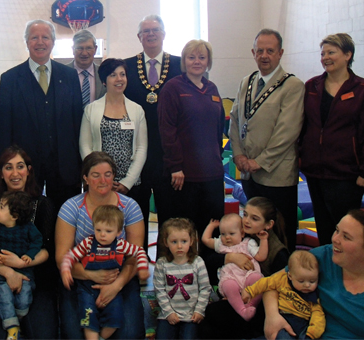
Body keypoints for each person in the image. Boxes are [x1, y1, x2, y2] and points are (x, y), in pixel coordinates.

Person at [229, 28, 305, 253]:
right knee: (254, 231)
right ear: (253, 52)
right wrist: (238, 154)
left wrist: (259, 161)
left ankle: (284, 277)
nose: (264, 55)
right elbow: (235, 120)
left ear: (280, 53)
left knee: (280, 231)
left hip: (277, 175)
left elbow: (287, 132)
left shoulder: (292, 86)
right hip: (248, 172)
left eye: (270, 51)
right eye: (259, 50)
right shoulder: (247, 82)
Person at [55, 151, 145, 339]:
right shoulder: (71, 207)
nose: (103, 180)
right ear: (86, 178)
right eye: (96, 175)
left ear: (114, 176)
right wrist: (90, 275)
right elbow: (62, 257)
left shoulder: (130, 207)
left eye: (108, 174)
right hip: (81, 279)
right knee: (74, 333)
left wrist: (116, 285)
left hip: (120, 278)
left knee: (129, 333)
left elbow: (135, 256)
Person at [0, 146, 59, 339]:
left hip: (35, 281)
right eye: (8, 167)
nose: (15, 173)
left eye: (20, 166)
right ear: (0, 173)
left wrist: (21, 264)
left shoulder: (43, 204)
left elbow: (47, 249)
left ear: (28, 171)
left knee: (43, 335)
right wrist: (9, 272)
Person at [0, 19, 83, 210]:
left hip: (65, 166)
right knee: (24, 217)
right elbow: (5, 127)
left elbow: (77, 122)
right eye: (34, 37)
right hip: (24, 168)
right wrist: (8, 166)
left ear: (53, 42)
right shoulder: (10, 79)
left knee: (64, 219)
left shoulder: (69, 76)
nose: (40, 42)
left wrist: (79, 164)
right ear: (26, 42)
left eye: (45, 37)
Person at [124, 15, 182, 250]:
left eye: (155, 30)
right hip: (134, 153)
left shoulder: (180, 64)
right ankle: (136, 264)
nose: (150, 34)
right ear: (139, 37)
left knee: (169, 212)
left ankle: (167, 265)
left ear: (164, 34)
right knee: (136, 215)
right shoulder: (126, 66)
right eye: (145, 31)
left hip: (168, 154)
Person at [299, 33, 364, 246]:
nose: (325, 57)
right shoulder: (312, 87)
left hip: (346, 173)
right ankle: (328, 270)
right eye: (323, 53)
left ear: (347, 55)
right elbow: (303, 126)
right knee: (324, 227)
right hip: (315, 171)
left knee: (346, 230)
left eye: (331, 52)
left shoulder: (360, 89)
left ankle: (349, 273)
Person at [158, 39, 225, 241]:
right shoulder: (173, 88)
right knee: (186, 232)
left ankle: (211, 271)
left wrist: (217, 157)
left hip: (212, 173)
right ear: (184, 60)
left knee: (212, 230)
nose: (197, 61)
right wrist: (175, 165)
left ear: (208, 62)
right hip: (185, 175)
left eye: (202, 57)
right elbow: (167, 129)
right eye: (192, 57)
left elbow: (218, 127)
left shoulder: (212, 88)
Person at [264, 210, 364, 339]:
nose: (335, 239)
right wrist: (272, 316)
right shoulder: (322, 257)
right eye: (337, 230)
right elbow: (272, 283)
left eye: (346, 237)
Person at [199, 196, 290, 339]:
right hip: (238, 291)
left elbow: (279, 290)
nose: (246, 221)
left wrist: (244, 296)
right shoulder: (239, 232)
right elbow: (208, 260)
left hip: (260, 303)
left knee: (211, 316)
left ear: (268, 224)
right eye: (245, 214)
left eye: (254, 218)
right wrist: (230, 258)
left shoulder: (277, 252)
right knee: (207, 322)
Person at [61, 205, 149, 340]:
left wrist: (143, 268)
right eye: (98, 230)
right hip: (87, 288)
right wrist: (66, 269)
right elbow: (71, 255)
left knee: (115, 319)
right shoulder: (89, 242)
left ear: (119, 232)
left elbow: (140, 251)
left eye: (108, 231)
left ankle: (101, 337)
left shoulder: (120, 245)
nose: (102, 235)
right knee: (87, 320)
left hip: (113, 288)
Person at [79, 58, 147, 209]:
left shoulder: (137, 110)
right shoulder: (91, 109)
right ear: (104, 81)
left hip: (130, 184)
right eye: (113, 75)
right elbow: (85, 145)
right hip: (100, 183)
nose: (119, 79)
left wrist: (127, 182)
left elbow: (142, 148)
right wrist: (99, 176)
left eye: (122, 74)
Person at [0, 191, 43, 340]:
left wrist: (30, 255)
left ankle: (17, 316)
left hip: (25, 272)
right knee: (4, 297)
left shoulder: (27, 228)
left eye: (1, 207)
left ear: (14, 216)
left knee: (25, 296)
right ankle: (12, 328)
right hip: (1, 274)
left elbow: (38, 241)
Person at [242, 251, 324, 339]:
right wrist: (249, 291)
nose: (307, 285)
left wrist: (311, 334)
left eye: (312, 281)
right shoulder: (282, 280)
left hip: (302, 326)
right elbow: (266, 282)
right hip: (283, 320)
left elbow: (319, 316)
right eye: (301, 281)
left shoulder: (314, 297)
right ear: (290, 276)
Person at [201, 214, 267, 321]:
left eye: (231, 233)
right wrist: (211, 226)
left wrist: (264, 240)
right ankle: (242, 311)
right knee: (228, 285)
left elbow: (261, 256)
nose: (227, 237)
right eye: (223, 234)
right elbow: (206, 240)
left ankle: (250, 305)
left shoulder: (248, 243)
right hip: (231, 278)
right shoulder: (221, 245)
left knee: (258, 279)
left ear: (241, 233)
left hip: (247, 276)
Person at [154, 218, 211, 339]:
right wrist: (169, 312)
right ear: (166, 242)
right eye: (174, 242)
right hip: (167, 314)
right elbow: (159, 290)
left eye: (184, 241)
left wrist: (199, 310)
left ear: (191, 241)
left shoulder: (198, 262)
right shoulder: (161, 263)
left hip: (191, 315)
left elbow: (205, 289)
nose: (179, 246)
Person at [66, 29, 106, 106]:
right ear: (73, 50)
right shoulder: (61, 73)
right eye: (79, 48)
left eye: (88, 48)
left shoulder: (104, 73)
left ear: (95, 49)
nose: (84, 53)